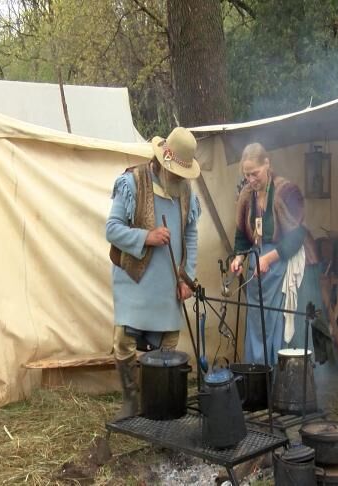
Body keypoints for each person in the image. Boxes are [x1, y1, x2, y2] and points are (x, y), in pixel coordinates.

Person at [106, 127, 200, 419]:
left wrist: (188, 278)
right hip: (135, 280)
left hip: (169, 283)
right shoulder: (132, 182)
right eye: (176, 172)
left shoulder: (185, 191)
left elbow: (192, 235)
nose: (179, 179)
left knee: (167, 346)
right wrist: (146, 237)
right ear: (163, 160)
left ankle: (153, 404)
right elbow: (112, 229)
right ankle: (131, 398)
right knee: (123, 342)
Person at [230, 143, 321, 365]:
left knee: (278, 323)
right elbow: (242, 235)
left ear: (267, 164)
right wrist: (239, 258)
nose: (251, 179)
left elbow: (298, 235)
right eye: (247, 174)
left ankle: (277, 378)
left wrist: (269, 258)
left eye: (255, 173)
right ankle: (257, 377)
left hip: (280, 265)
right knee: (256, 323)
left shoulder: (287, 191)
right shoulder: (246, 195)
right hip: (256, 271)